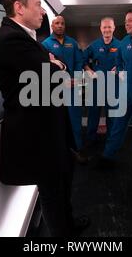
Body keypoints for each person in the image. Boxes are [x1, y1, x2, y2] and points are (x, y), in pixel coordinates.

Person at [0, 0, 89, 236]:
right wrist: (56, 65)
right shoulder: (10, 39)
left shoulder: (25, 39)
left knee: (63, 182)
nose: (43, 12)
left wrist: (54, 64)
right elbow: (49, 77)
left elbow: (49, 70)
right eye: (38, 5)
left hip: (50, 127)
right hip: (37, 134)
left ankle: (68, 224)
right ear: (18, 7)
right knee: (52, 191)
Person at [97, 7, 132, 180]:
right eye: (125, 21)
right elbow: (119, 63)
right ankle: (108, 155)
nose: (126, 24)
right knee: (117, 126)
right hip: (125, 93)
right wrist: (121, 73)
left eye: (130, 20)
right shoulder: (124, 43)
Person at [42, 16, 87, 163]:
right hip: (55, 88)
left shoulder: (72, 43)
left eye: (62, 23)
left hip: (73, 86)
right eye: (57, 23)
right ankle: (61, 152)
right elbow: (45, 67)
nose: (60, 26)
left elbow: (79, 61)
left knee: (75, 119)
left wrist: (75, 78)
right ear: (52, 25)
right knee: (57, 120)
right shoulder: (45, 44)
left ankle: (77, 149)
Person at [83, 17, 121, 145]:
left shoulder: (120, 45)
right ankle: (90, 139)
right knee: (93, 113)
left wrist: (120, 67)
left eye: (109, 27)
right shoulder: (94, 45)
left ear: (114, 28)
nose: (107, 30)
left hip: (113, 85)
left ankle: (111, 141)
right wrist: (89, 70)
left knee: (112, 115)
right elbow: (82, 60)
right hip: (97, 85)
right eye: (104, 27)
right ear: (100, 28)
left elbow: (127, 61)